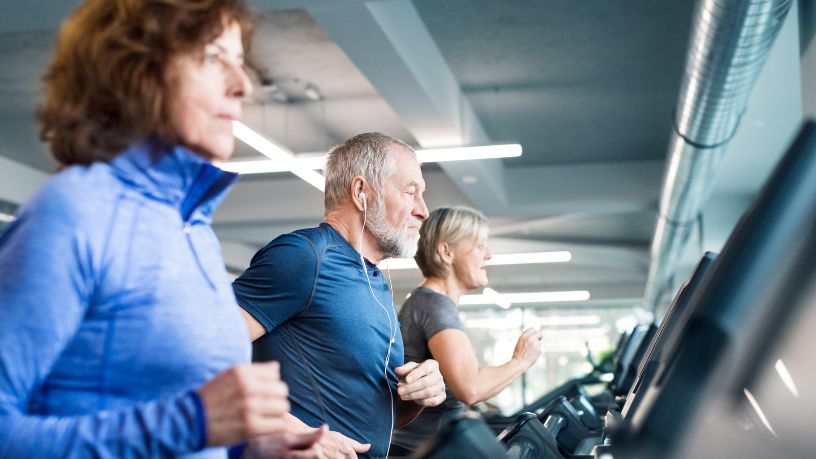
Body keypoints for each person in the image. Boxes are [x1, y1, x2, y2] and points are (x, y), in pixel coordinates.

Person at [0, 1, 323, 457]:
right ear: (135, 72)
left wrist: (249, 449)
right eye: (213, 58)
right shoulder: (75, 211)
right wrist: (190, 422)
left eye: (239, 61)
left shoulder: (191, 229)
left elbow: (183, 431)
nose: (243, 85)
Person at [232, 132, 448, 458]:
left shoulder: (372, 280)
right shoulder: (305, 257)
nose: (423, 210)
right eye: (410, 192)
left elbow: (377, 417)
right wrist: (294, 430)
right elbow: (193, 357)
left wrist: (416, 394)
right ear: (361, 192)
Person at [389, 206, 543, 455]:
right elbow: (471, 388)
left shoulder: (427, 301)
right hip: (426, 450)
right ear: (446, 252)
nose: (489, 255)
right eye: (480, 246)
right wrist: (521, 361)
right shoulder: (434, 305)